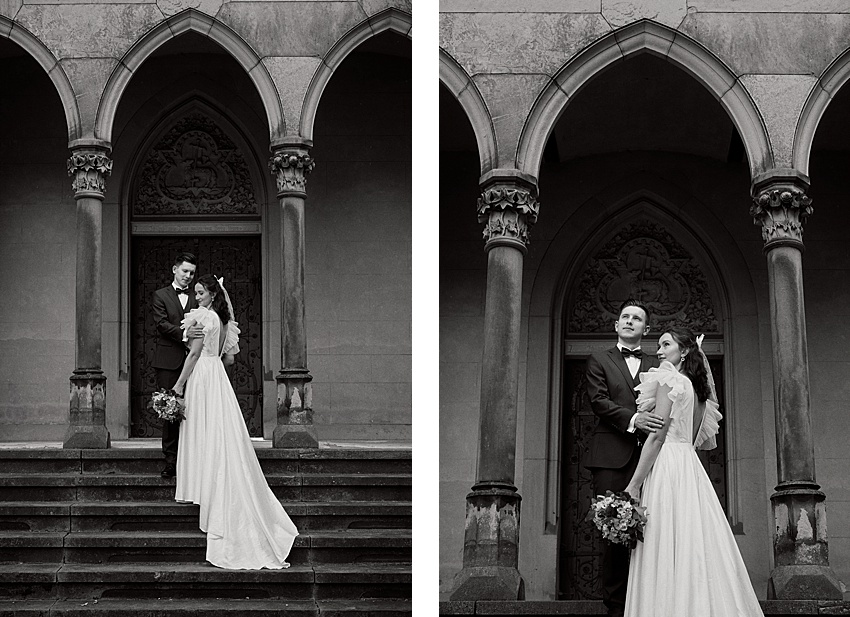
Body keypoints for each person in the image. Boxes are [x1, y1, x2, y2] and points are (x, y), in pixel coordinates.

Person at [623, 327, 763, 616]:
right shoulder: (699, 390)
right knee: (696, 542)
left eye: (665, 344)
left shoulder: (668, 379)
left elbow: (657, 436)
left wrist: (634, 484)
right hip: (689, 466)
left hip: (667, 466)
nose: (659, 351)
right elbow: (694, 437)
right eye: (658, 345)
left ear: (684, 350)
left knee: (664, 543)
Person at [171, 274, 298, 569]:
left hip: (202, 376)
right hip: (217, 378)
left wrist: (178, 386)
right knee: (220, 433)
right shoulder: (223, 319)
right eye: (196, 292)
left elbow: (192, 355)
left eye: (201, 292)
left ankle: (206, 486)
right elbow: (229, 360)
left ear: (212, 295)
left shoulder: (202, 316)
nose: (197, 295)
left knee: (204, 431)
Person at [585, 299, 663, 617]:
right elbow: (598, 401)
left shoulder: (658, 364)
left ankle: (651, 602)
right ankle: (616, 607)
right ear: (617, 325)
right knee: (615, 531)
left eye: (637, 318)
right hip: (610, 459)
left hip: (653, 459)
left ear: (647, 328)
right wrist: (634, 420)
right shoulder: (598, 359)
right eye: (625, 317)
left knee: (656, 530)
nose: (630, 321)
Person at [151, 252, 199, 478]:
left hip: (196, 362)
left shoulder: (199, 297)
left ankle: (193, 461)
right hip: (168, 362)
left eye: (191, 273)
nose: (188, 276)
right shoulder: (160, 295)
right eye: (185, 271)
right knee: (170, 412)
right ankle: (171, 461)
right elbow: (160, 324)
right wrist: (185, 333)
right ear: (174, 269)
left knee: (196, 410)